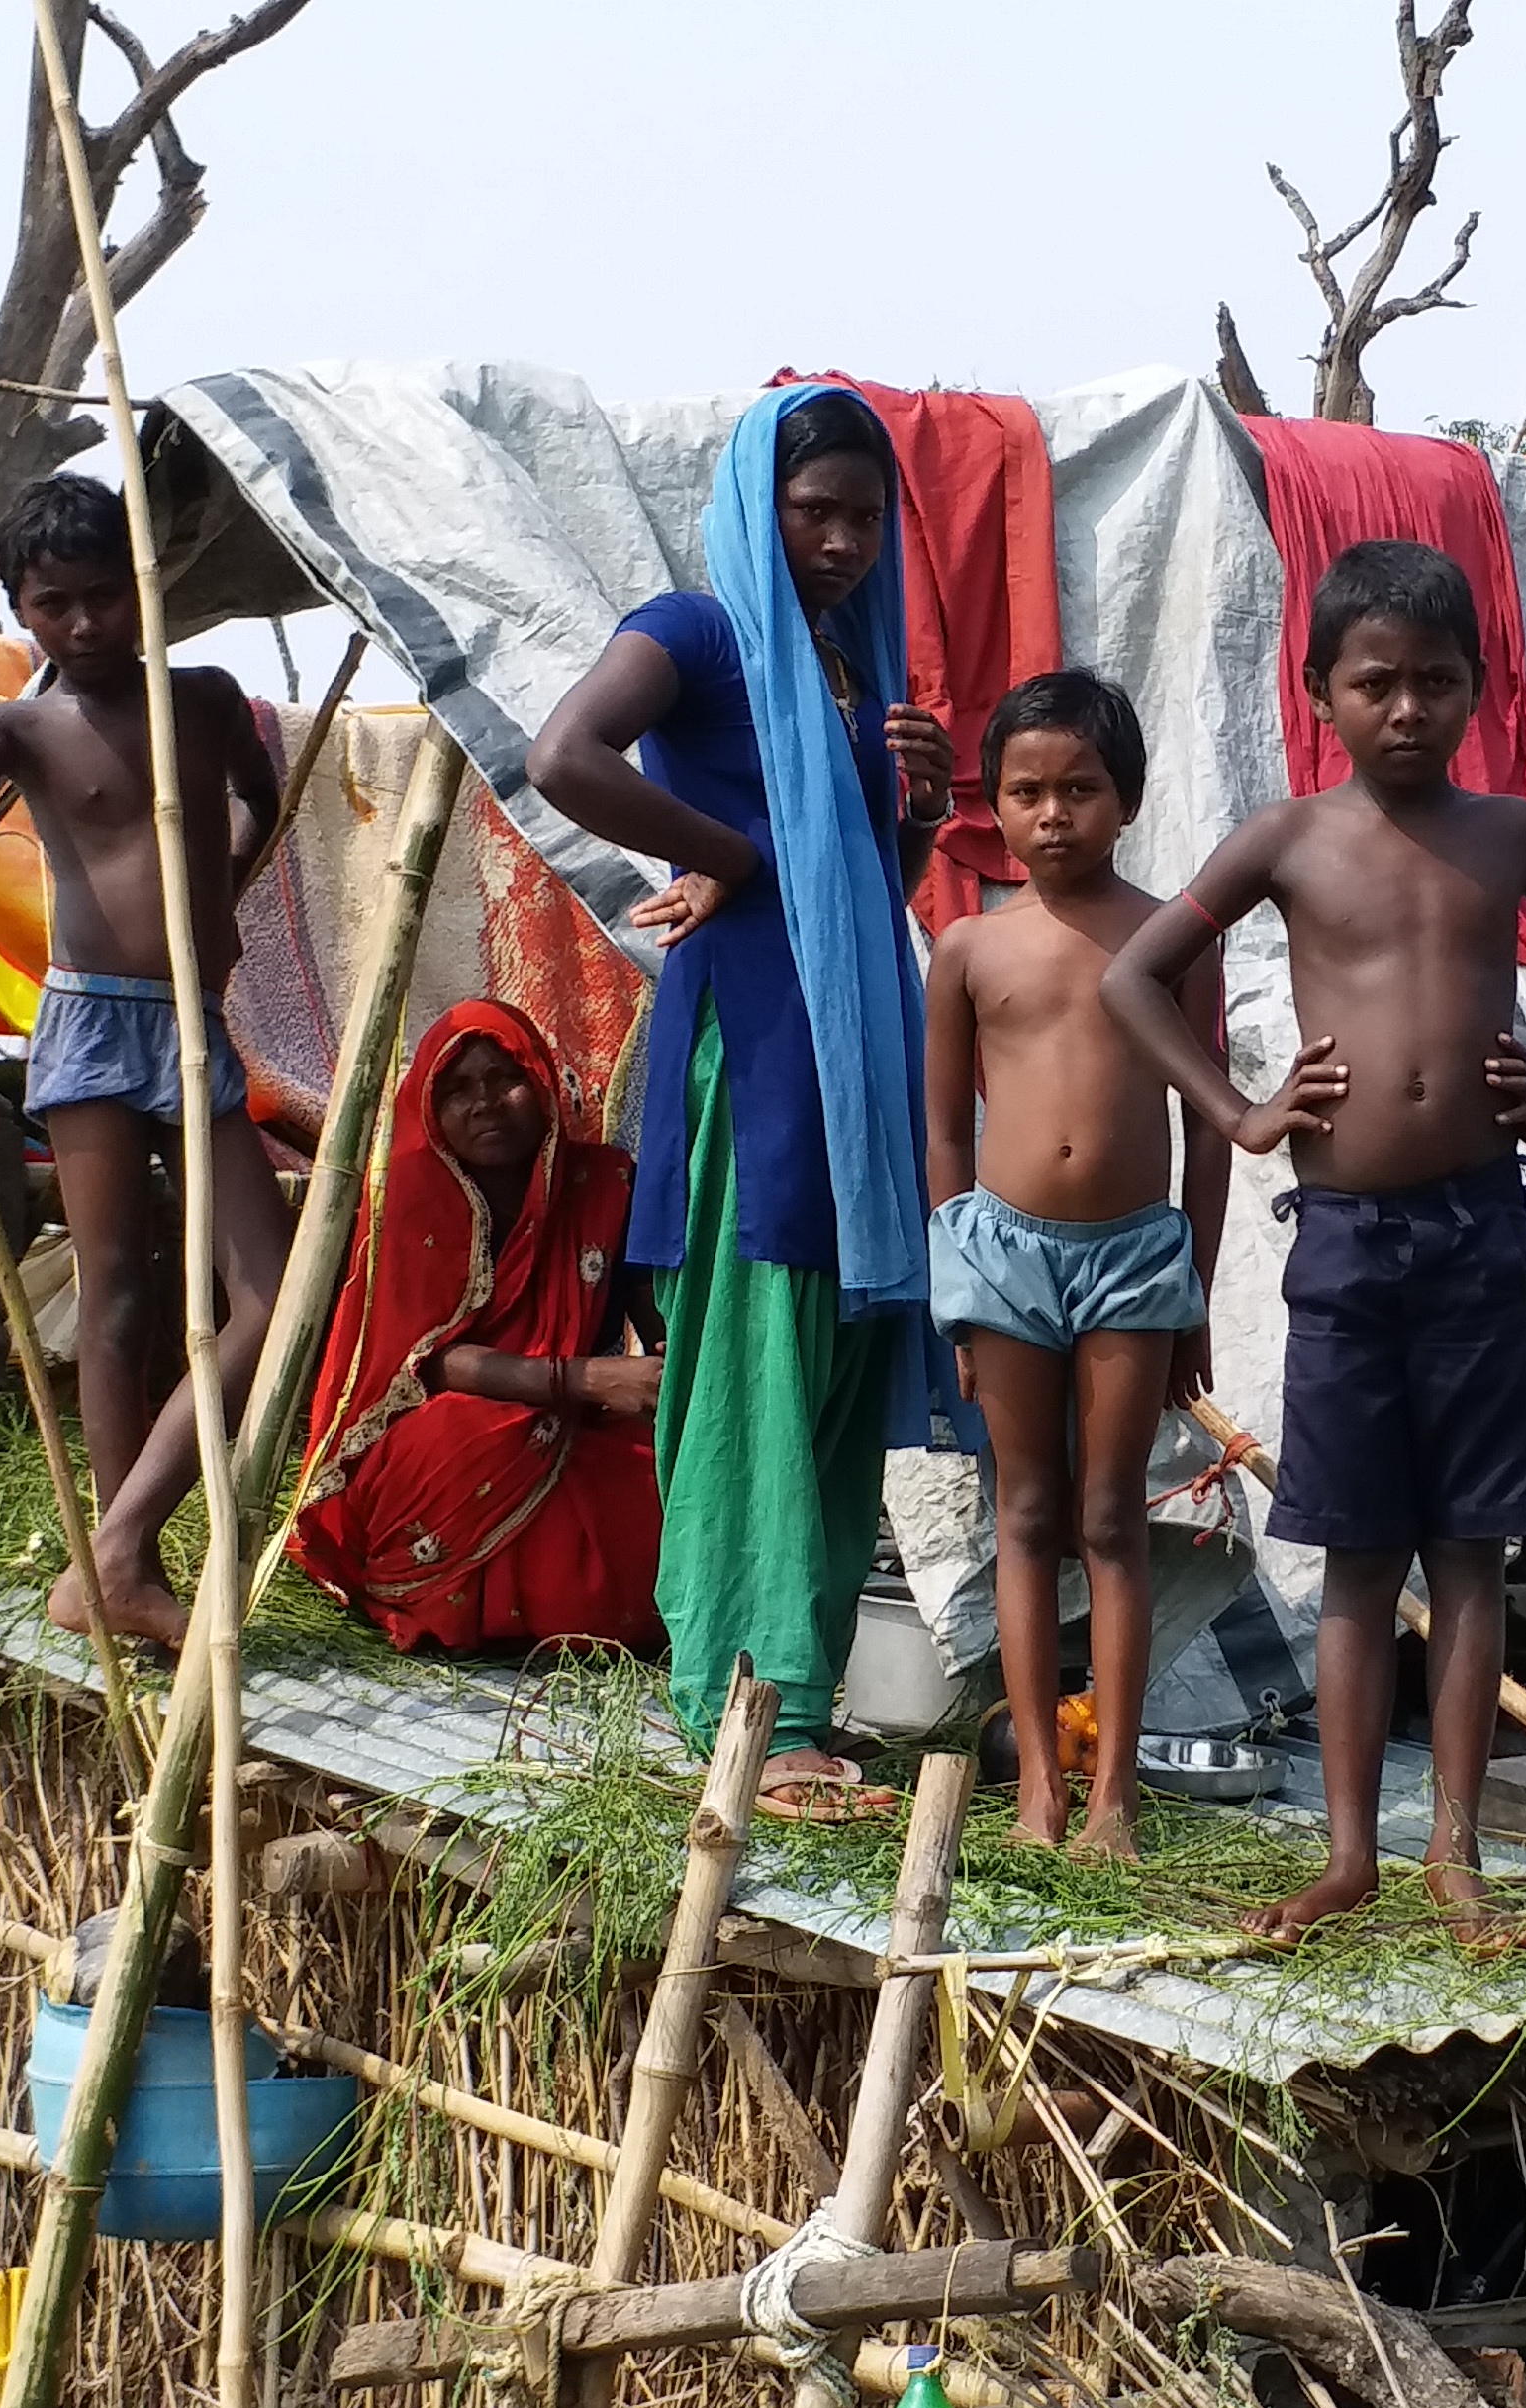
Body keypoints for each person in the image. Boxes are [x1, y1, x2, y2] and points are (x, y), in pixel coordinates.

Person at [1103, 538, 1526, 1939]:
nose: (1406, 708)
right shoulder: (1287, 839)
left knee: (1473, 1551)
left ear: (1476, 691)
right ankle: (1352, 1857)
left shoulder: (1514, 839)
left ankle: (1455, 1857)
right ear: (1321, 696)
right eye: (1376, 684)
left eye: (1434, 682)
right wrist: (1239, 1110)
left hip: (1479, 1232)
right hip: (1344, 1241)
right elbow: (1133, 974)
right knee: (1360, 1558)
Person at [536, 388, 954, 1819]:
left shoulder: (846, 665)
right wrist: (751, 851)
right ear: (749, 510)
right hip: (760, 1053)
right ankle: (746, 1700)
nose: (839, 541)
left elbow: (862, 895)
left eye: (860, 515)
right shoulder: (700, 633)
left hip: (854, 1054)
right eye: (811, 510)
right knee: (762, 1356)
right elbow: (564, 757)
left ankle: (804, 1696)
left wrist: (911, 812)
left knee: (836, 1361)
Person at [0, 472, 295, 1651]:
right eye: (51, 604)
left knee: (272, 1295)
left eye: (101, 598)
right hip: (89, 1022)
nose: (81, 625)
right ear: (20, 611)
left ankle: (124, 1547)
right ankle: (117, 1561)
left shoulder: (205, 698)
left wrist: (221, 888)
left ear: (143, 593)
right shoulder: (29, 725)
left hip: (191, 1020)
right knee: (119, 1296)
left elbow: (258, 793)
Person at [921, 670, 1225, 1859]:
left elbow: (1211, 1123)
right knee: (1025, 1512)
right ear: (989, 808)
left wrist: (1192, 1287)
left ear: (1129, 800)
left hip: (1133, 1255)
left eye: (1081, 790)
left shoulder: (1172, 940)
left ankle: (1116, 1795)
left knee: (1113, 1517)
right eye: (1027, 793)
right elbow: (947, 1131)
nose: (1054, 816)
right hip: (999, 1250)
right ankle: (1039, 1782)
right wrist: (955, 1287)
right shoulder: (967, 949)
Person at [284, 1000, 662, 1653]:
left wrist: (669, 1367)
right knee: (461, 1435)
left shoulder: (606, 1183)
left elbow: (654, 1317)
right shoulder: (404, 1204)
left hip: (581, 1426)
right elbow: (416, 1360)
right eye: (457, 1089)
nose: (484, 1102)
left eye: (503, 1078)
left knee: (674, 1475)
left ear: (542, 1082)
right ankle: (462, 1607)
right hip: (446, 1427)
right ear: (428, 1107)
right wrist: (581, 1378)